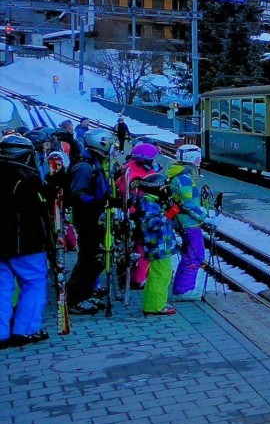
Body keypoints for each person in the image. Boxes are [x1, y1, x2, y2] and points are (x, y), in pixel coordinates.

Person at [0, 134, 52, 348]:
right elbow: (38, 212)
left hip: (2, 244)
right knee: (34, 282)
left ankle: (1, 332)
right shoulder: (26, 177)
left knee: (2, 286)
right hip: (25, 243)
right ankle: (26, 329)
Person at [64, 130, 113, 315]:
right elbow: (77, 194)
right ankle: (74, 298)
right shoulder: (84, 166)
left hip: (94, 217)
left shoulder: (93, 162)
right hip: (87, 219)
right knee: (88, 258)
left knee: (97, 258)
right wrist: (99, 201)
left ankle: (85, 293)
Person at [168, 150, 208, 302]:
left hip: (184, 221)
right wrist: (205, 217)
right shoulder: (184, 178)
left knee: (190, 254)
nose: (200, 161)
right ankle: (183, 290)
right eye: (198, 158)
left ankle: (182, 288)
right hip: (189, 223)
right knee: (195, 255)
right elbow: (188, 203)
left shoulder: (179, 174)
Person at [134, 173, 176, 316]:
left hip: (158, 245)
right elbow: (152, 224)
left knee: (155, 275)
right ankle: (158, 306)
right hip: (158, 245)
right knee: (162, 275)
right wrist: (169, 214)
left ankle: (150, 304)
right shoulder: (149, 203)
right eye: (164, 188)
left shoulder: (150, 200)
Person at [121, 143, 160, 290]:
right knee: (144, 246)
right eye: (153, 160)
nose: (154, 163)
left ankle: (138, 275)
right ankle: (140, 278)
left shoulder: (131, 169)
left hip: (137, 213)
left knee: (140, 246)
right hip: (138, 214)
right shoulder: (135, 176)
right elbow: (133, 196)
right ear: (145, 160)